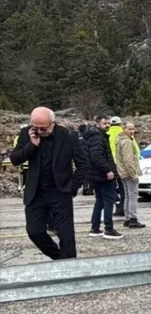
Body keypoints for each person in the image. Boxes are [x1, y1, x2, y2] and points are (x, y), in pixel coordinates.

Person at [9, 107, 88, 260]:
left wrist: (72, 187)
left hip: (60, 192)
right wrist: (32, 145)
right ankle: (59, 259)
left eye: (43, 128)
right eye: (36, 127)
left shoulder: (69, 136)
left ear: (52, 123)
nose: (39, 131)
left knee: (66, 235)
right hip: (35, 192)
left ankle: (70, 266)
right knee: (34, 232)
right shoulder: (27, 133)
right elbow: (15, 159)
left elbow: (83, 164)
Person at [83, 116, 123, 239]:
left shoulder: (93, 136)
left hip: (95, 174)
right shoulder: (98, 137)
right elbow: (97, 156)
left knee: (100, 200)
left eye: (108, 123)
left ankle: (95, 228)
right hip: (102, 175)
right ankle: (109, 229)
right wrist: (108, 170)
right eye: (104, 123)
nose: (107, 125)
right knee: (108, 201)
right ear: (97, 124)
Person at [115, 122, 145, 229]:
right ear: (124, 129)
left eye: (133, 129)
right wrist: (133, 175)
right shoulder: (127, 142)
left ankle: (127, 219)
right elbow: (128, 160)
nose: (132, 131)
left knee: (127, 195)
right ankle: (133, 218)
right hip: (128, 172)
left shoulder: (120, 140)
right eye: (129, 129)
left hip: (123, 172)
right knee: (133, 195)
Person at [107, 116, 126, 217]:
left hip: (110, 164)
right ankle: (123, 206)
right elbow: (136, 150)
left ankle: (117, 203)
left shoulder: (106, 134)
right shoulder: (125, 134)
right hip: (123, 164)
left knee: (110, 186)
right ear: (120, 124)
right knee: (123, 187)